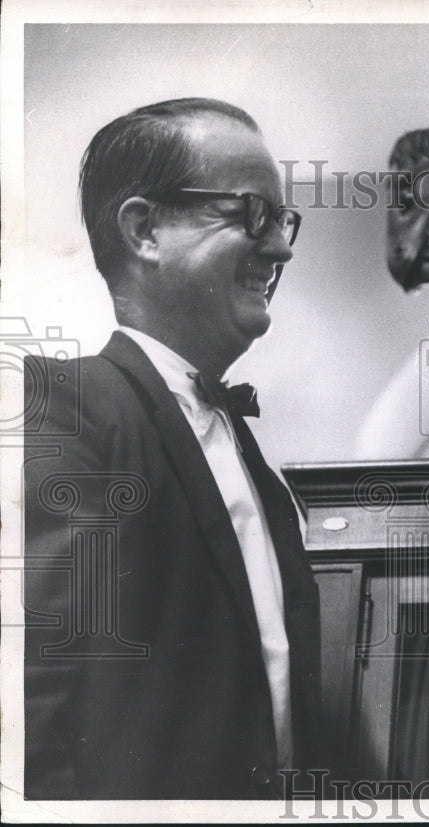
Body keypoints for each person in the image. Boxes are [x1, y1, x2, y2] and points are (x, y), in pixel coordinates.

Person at [23, 98, 321, 799]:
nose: (280, 247)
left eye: (282, 220)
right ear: (145, 229)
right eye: (252, 212)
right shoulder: (66, 408)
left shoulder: (244, 446)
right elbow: (34, 706)